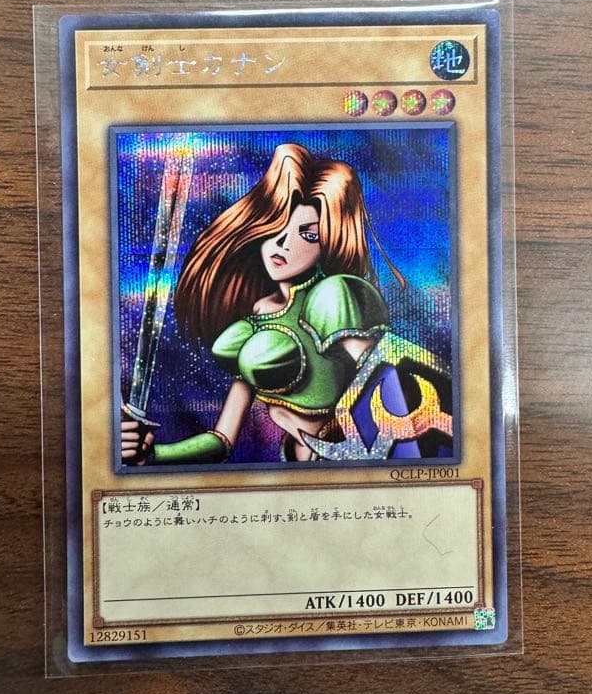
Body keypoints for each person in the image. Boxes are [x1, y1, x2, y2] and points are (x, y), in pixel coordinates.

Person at [121, 143, 403, 465]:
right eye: (277, 225)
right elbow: (221, 440)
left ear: (329, 240)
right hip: (292, 460)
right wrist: (153, 454)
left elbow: (393, 391)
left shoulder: (334, 296)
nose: (283, 242)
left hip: (347, 458)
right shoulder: (255, 322)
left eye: (308, 234)